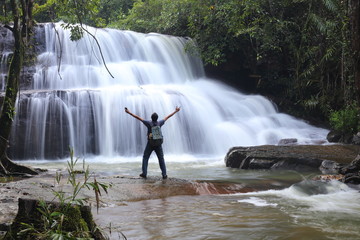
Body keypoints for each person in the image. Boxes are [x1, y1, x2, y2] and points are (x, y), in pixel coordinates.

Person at [125, 106, 180, 179]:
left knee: (145, 157)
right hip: (158, 144)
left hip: (150, 144)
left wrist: (129, 112)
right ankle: (164, 174)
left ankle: (144, 173)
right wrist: (176, 111)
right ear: (157, 118)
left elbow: (138, 117)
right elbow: (168, 117)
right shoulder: (160, 123)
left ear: (151, 118)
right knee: (161, 159)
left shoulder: (148, 123)